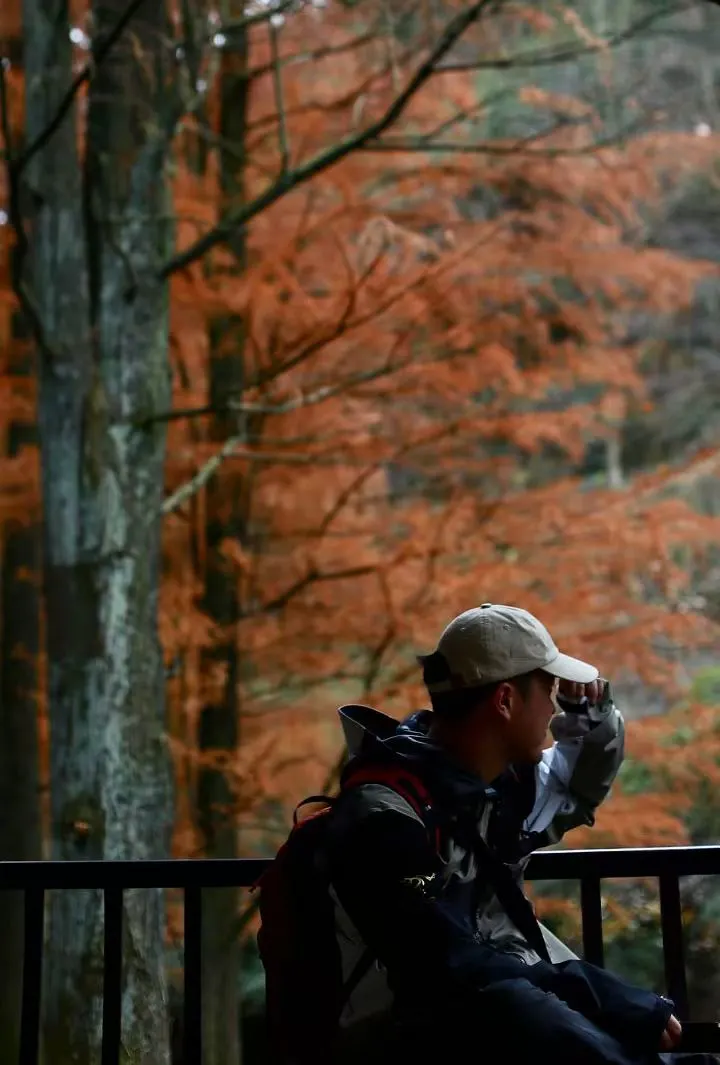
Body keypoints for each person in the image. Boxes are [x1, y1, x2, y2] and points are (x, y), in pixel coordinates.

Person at [323, 604, 714, 1065]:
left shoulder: (496, 791)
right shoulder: (384, 816)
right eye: (549, 690)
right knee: (525, 1010)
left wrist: (590, 712)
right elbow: (443, 966)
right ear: (505, 701)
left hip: (500, 1008)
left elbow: (578, 787)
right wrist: (595, 992)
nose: (553, 707)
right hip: (403, 1033)